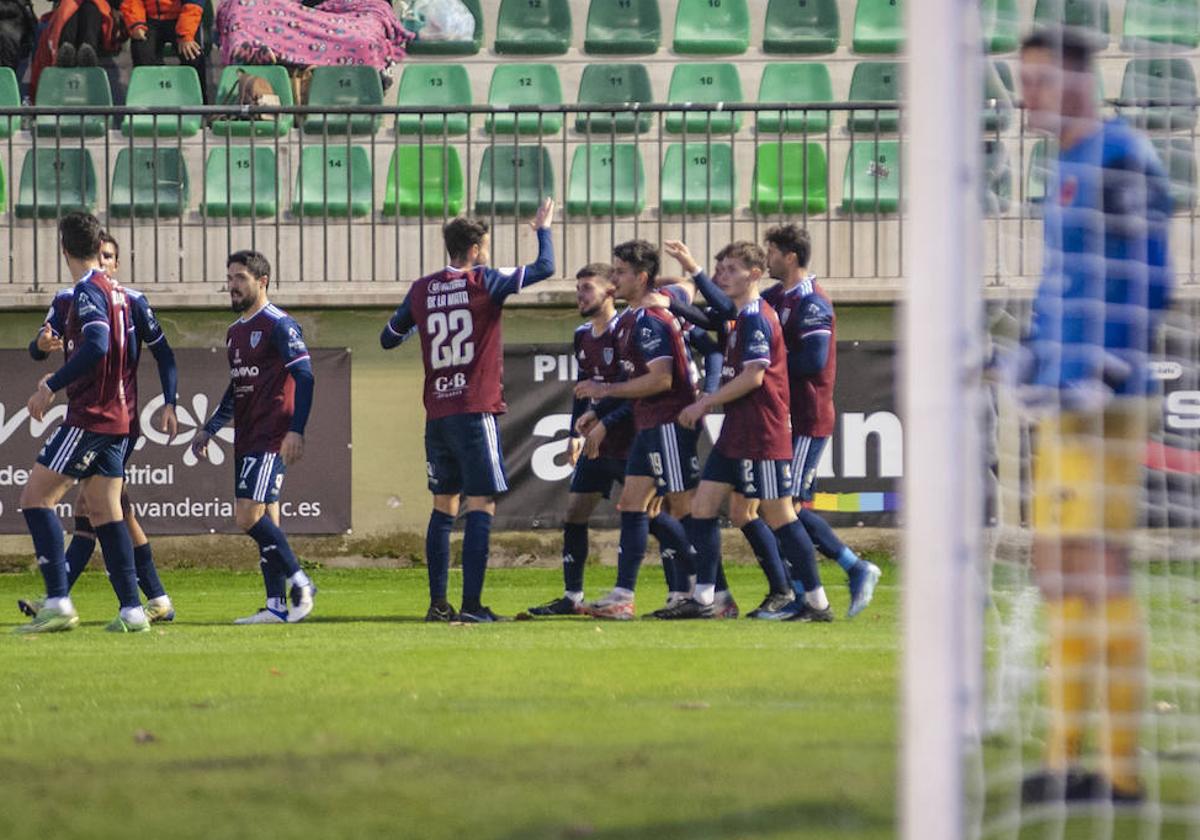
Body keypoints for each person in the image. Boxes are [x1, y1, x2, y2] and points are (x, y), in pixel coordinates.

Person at [1015, 26, 1172, 805]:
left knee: (1097, 571)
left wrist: (1104, 371)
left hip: (1105, 405)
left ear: (1080, 81)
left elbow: (1150, 273)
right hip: (1061, 403)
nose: (1026, 95)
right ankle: (1066, 759)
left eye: (1039, 80)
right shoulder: (1064, 166)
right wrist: (1031, 362)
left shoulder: (1122, 158)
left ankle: (1120, 772)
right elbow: (1060, 286)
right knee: (1059, 575)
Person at [380, 199, 556, 623]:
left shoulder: (422, 289)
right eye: (486, 246)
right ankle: (474, 607)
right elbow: (545, 268)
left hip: (437, 411)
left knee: (444, 506)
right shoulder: (484, 281)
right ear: (476, 248)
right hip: (475, 408)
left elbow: (388, 337)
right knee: (482, 503)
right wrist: (543, 230)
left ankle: (438, 604)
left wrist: (425, 321)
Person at [653, 242, 830, 621]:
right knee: (701, 508)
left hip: (762, 431)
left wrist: (704, 402)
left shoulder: (756, 317)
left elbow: (754, 376)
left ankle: (816, 602)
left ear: (754, 273)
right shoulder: (739, 316)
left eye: (731, 269)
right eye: (721, 269)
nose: (723, 276)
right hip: (736, 430)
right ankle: (705, 599)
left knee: (780, 514)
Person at [17, 232, 178, 624]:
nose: (103, 261)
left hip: (103, 417)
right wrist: (42, 344)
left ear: (116, 264)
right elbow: (39, 348)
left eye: (110, 256)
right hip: (108, 419)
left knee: (73, 504)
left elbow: (158, 353)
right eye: (99, 254)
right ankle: (142, 603)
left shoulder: (129, 300)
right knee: (104, 509)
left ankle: (61, 599)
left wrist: (171, 401)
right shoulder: (69, 298)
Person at [573, 240, 701, 620]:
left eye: (621, 272)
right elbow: (683, 286)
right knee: (632, 504)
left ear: (641, 277)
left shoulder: (650, 319)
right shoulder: (634, 316)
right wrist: (599, 412)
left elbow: (661, 380)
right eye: (611, 272)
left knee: (682, 509)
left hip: (668, 421)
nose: (613, 279)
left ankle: (709, 591)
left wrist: (605, 391)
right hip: (648, 421)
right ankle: (625, 596)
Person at [758, 224, 882, 618]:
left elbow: (812, 361)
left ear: (790, 256)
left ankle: (850, 570)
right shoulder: (775, 297)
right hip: (782, 419)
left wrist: (765, 367)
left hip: (807, 420)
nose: (767, 259)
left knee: (784, 506)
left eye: (772, 251)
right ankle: (814, 588)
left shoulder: (813, 302)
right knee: (778, 507)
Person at [192, 251, 317, 625]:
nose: (232, 285)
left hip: (271, 434)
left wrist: (296, 429)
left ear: (262, 281)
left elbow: (306, 376)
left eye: (241, 277)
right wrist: (210, 427)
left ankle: (301, 582)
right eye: (230, 278)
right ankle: (277, 606)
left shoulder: (280, 324)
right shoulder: (234, 333)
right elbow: (238, 386)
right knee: (268, 522)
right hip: (246, 435)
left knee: (246, 516)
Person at [526, 264, 633, 616]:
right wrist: (576, 431)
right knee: (575, 512)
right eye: (578, 289)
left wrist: (604, 421)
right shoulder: (582, 334)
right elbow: (583, 388)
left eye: (587, 288)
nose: (580, 295)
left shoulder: (627, 330)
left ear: (610, 291)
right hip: (595, 439)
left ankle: (686, 591)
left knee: (654, 516)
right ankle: (572, 597)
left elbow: (636, 392)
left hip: (629, 437)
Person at [121, 0, 208, 100]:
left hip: (183, 16)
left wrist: (185, 33)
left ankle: (199, 103)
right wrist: (136, 24)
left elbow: (193, 3)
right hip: (147, 18)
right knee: (141, 51)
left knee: (192, 53)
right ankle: (147, 100)